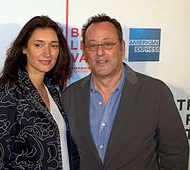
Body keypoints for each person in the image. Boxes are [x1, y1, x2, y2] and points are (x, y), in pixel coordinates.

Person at [61, 13, 189, 170]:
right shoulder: (70, 96)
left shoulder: (156, 93)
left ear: (122, 47)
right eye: (92, 45)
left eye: (108, 44)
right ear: (84, 51)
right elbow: (73, 155)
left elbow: (175, 154)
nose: (100, 52)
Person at [0, 15, 78, 170]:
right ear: (24, 48)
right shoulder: (5, 93)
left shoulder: (53, 89)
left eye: (53, 46)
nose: (47, 53)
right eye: (38, 45)